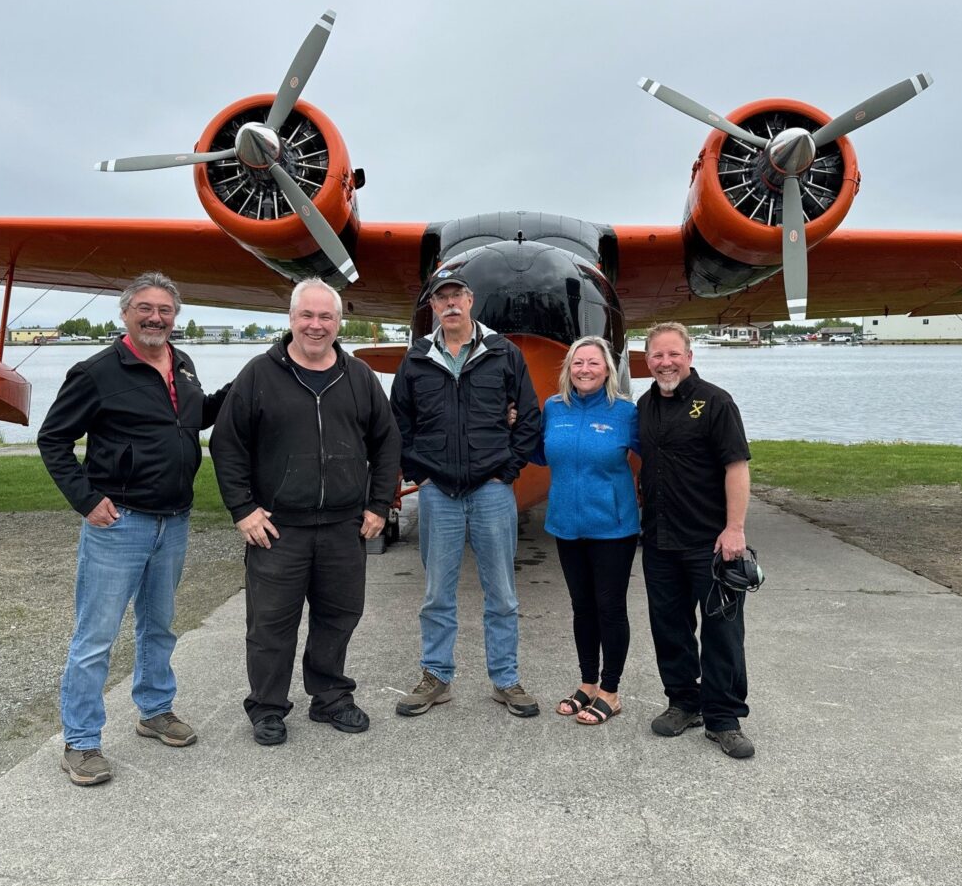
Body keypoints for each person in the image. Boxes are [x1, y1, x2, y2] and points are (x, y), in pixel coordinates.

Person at [38, 271, 230, 787]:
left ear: (175, 316)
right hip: (119, 523)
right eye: (145, 308)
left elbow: (196, 416)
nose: (155, 318)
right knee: (96, 636)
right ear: (125, 314)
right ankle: (80, 741)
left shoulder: (182, 365)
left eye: (165, 310)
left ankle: (155, 709)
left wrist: (249, 382)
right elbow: (53, 440)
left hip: (176, 520)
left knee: (159, 625)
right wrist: (86, 499)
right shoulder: (96, 371)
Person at [209, 278, 400, 745]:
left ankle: (331, 696)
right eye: (307, 316)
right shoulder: (259, 374)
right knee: (271, 624)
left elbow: (387, 441)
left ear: (339, 322)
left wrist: (378, 505)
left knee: (339, 617)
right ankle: (268, 707)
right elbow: (226, 445)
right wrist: (243, 509)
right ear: (291, 319)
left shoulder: (358, 377)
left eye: (326, 317)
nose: (316, 325)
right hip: (277, 529)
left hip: (343, 527)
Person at [390, 269, 541, 718]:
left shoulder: (504, 353)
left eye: (457, 295)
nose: (450, 303)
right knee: (437, 592)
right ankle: (437, 676)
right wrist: (422, 473)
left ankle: (506, 679)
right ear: (432, 307)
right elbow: (400, 424)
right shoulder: (417, 358)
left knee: (503, 594)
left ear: (471, 300)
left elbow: (529, 417)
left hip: (492, 491)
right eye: (442, 298)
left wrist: (507, 470)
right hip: (438, 494)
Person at [637, 321, 755, 759]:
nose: (665, 362)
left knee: (723, 630)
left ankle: (724, 717)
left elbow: (736, 467)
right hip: (659, 540)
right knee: (670, 626)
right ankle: (683, 701)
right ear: (646, 361)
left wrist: (735, 528)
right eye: (656, 356)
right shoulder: (645, 405)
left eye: (673, 354)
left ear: (689, 356)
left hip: (710, 541)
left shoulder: (716, 403)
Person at [532, 335, 640, 725]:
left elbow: (653, 456)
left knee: (610, 608)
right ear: (568, 369)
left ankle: (611, 691)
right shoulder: (553, 407)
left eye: (593, 363)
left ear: (608, 369)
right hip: (566, 524)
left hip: (613, 528)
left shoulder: (625, 413)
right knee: (582, 607)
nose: (585, 370)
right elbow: (539, 452)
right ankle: (588, 683)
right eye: (578, 363)